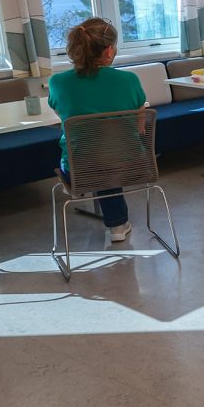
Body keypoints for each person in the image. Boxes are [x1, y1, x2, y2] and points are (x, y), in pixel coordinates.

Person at [47, 17, 147, 244]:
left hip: (79, 168)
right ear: (109, 51)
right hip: (132, 164)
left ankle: (87, 190)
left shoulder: (58, 83)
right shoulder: (129, 80)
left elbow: (63, 117)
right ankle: (118, 224)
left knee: (92, 158)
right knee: (110, 158)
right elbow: (140, 127)